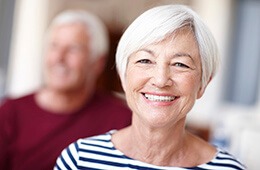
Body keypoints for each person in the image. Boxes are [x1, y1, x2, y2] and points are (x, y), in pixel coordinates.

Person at [55, 4, 246, 170]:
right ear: (123, 75)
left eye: (180, 64)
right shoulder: (79, 160)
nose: (161, 80)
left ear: (203, 83)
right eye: (145, 60)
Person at [0, 10, 132, 170]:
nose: (59, 58)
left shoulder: (122, 119)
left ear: (98, 62)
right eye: (54, 46)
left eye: (73, 49)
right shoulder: (11, 113)